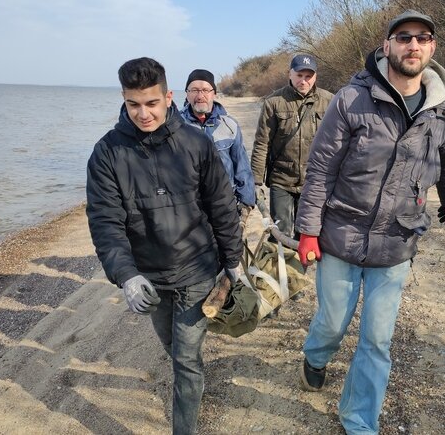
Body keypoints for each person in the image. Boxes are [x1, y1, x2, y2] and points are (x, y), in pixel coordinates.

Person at [294, 10, 445, 434]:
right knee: (333, 323)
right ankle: (315, 357)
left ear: (432, 49)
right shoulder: (352, 99)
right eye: (403, 37)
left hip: (397, 240)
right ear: (386, 46)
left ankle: (359, 421)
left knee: (376, 340)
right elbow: (320, 168)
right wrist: (308, 230)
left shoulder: (442, 110)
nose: (413, 45)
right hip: (341, 234)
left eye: (422, 38)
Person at [86, 57, 243, 435]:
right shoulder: (107, 153)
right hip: (149, 274)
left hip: (197, 269)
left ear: (168, 97)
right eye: (133, 104)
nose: (143, 113)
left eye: (151, 103)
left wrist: (233, 260)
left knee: (185, 360)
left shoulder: (195, 143)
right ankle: (193, 378)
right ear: (124, 100)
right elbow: (106, 222)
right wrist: (126, 276)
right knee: (173, 348)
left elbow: (221, 203)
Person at [250, 53, 333, 240]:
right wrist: (255, 181)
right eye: (299, 75)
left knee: (307, 234)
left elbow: (337, 144)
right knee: (281, 234)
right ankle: (282, 268)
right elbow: (262, 143)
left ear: (315, 77)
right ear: (290, 74)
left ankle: (299, 269)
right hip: (281, 180)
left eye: (308, 76)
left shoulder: (330, 102)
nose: (303, 81)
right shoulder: (273, 102)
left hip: (314, 182)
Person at [179, 68, 256, 229]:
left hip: (225, 204)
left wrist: (246, 202)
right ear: (186, 93)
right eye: (194, 90)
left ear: (214, 93)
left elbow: (241, 166)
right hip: (187, 208)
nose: (200, 96)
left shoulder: (229, 125)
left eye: (206, 90)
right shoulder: (174, 126)